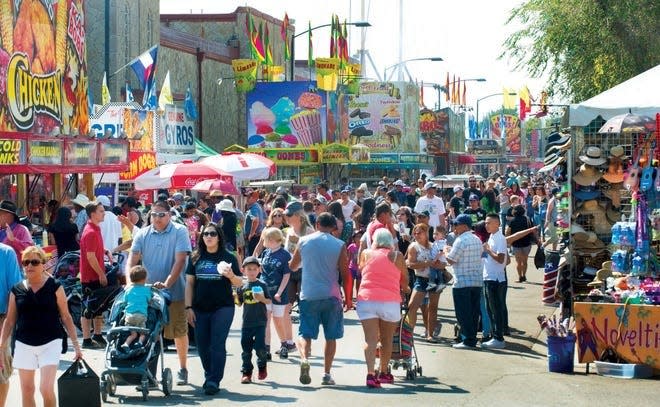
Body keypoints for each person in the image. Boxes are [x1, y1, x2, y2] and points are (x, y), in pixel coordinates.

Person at [0, 246, 82, 407]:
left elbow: (66, 316)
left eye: (34, 262)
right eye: (25, 262)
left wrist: (77, 347)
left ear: (43, 264)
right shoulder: (17, 290)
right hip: (24, 343)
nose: (29, 266)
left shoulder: (55, 286)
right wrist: (1, 347)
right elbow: (10, 321)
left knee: (45, 388)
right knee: (27, 389)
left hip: (51, 342)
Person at [128, 200, 192, 385]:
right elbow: (132, 260)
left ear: (169, 215)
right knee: (149, 332)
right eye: (153, 214)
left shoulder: (180, 231)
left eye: (161, 214)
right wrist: (130, 282)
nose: (157, 218)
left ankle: (183, 368)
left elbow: (180, 261)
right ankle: (148, 373)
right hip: (148, 293)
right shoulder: (143, 233)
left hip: (175, 291)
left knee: (179, 330)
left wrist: (166, 283)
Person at [289, 213, 349, 386]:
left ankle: (304, 359)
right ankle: (326, 374)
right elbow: (345, 274)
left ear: (316, 224)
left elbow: (293, 266)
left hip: (308, 294)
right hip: (331, 295)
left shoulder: (303, 241)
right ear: (332, 227)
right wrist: (349, 298)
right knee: (331, 336)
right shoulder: (339, 244)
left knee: (304, 333)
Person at [184, 222, 242, 395]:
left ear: (219, 237)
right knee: (202, 344)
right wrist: (188, 307)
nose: (209, 236)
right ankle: (209, 374)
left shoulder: (229, 257)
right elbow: (189, 284)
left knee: (217, 343)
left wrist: (231, 275)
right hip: (200, 308)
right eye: (206, 234)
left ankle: (213, 380)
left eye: (212, 234)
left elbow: (240, 282)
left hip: (223, 307)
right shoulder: (195, 257)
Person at [357, 229, 410, 388]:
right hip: (389, 301)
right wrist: (405, 288)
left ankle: (370, 374)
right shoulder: (397, 256)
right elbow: (405, 279)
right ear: (390, 241)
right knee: (387, 339)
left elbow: (362, 271)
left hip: (367, 299)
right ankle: (384, 372)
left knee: (370, 339)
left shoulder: (365, 254)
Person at [446, 214, 484, 349]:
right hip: (476, 281)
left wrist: (446, 251)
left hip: (462, 281)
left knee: (463, 313)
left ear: (464, 226)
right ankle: (471, 338)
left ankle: (468, 340)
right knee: (473, 312)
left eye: (456, 224)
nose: (454, 227)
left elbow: (451, 260)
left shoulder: (460, 240)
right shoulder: (477, 239)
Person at [79, 201, 113, 349]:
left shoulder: (95, 228)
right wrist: (101, 274)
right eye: (101, 211)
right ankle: (87, 339)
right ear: (92, 214)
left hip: (95, 274)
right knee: (88, 308)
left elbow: (93, 250)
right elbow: (90, 256)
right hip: (90, 276)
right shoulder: (91, 231)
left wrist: (104, 250)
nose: (104, 213)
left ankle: (98, 335)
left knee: (99, 306)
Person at [405, 223, 443, 342]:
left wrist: (438, 263)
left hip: (435, 279)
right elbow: (411, 264)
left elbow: (443, 264)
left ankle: (430, 334)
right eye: (415, 233)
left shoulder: (434, 246)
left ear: (426, 233)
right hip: (421, 279)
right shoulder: (413, 247)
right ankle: (409, 333)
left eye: (419, 232)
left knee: (432, 307)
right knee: (412, 307)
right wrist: (427, 263)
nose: (416, 235)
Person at [258, 228, 293, 359]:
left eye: (265, 239)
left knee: (278, 321)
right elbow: (262, 272)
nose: (264, 242)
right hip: (265, 293)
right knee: (266, 320)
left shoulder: (285, 255)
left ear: (272, 239)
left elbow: (286, 275)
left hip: (279, 294)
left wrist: (279, 292)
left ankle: (284, 345)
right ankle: (266, 348)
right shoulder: (266, 253)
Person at [237, 256, 271, 384]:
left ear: (259, 270)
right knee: (246, 350)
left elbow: (269, 300)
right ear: (243, 270)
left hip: (260, 322)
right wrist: (235, 296)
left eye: (254, 269)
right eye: (249, 269)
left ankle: (262, 367)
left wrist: (261, 298)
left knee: (260, 348)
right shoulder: (243, 286)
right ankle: (247, 373)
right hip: (246, 323)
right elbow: (239, 303)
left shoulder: (262, 284)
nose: (251, 271)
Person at [0, 243, 23, 406]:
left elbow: (14, 292)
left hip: (1, 319)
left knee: (1, 371)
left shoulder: (6, 253)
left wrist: (5, 328)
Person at [481, 214, 508, 349]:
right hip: (488, 277)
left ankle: (498, 337)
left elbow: (501, 258)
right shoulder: (492, 237)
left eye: (489, 223)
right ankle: (495, 335)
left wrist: (488, 250)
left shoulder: (500, 238)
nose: (486, 225)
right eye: (486, 223)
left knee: (495, 308)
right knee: (490, 309)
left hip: (495, 279)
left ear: (497, 223)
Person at [120, 266, 152, 351]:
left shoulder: (128, 290)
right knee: (142, 333)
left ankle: (126, 344)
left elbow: (124, 301)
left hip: (129, 316)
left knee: (133, 334)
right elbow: (149, 300)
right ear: (144, 279)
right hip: (141, 316)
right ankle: (140, 343)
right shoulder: (146, 290)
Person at [506, 205, 535, 283]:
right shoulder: (528, 219)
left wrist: (509, 241)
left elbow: (507, 232)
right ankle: (524, 276)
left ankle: (520, 277)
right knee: (525, 261)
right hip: (527, 243)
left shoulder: (512, 221)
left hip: (516, 244)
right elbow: (533, 230)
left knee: (518, 262)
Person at [427, 226, 449, 293]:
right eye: (434, 233)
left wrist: (435, 259)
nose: (434, 235)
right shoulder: (437, 241)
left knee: (433, 270)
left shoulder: (441, 242)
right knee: (439, 272)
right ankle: (441, 283)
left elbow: (441, 252)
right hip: (438, 260)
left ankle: (432, 282)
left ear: (442, 236)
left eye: (437, 234)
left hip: (438, 260)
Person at [244, 190, 265, 257]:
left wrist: (251, 233)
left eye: (248, 197)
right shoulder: (256, 206)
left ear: (254, 198)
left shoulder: (254, 208)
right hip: (256, 236)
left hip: (254, 237)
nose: (246, 199)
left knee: (252, 257)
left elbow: (255, 220)